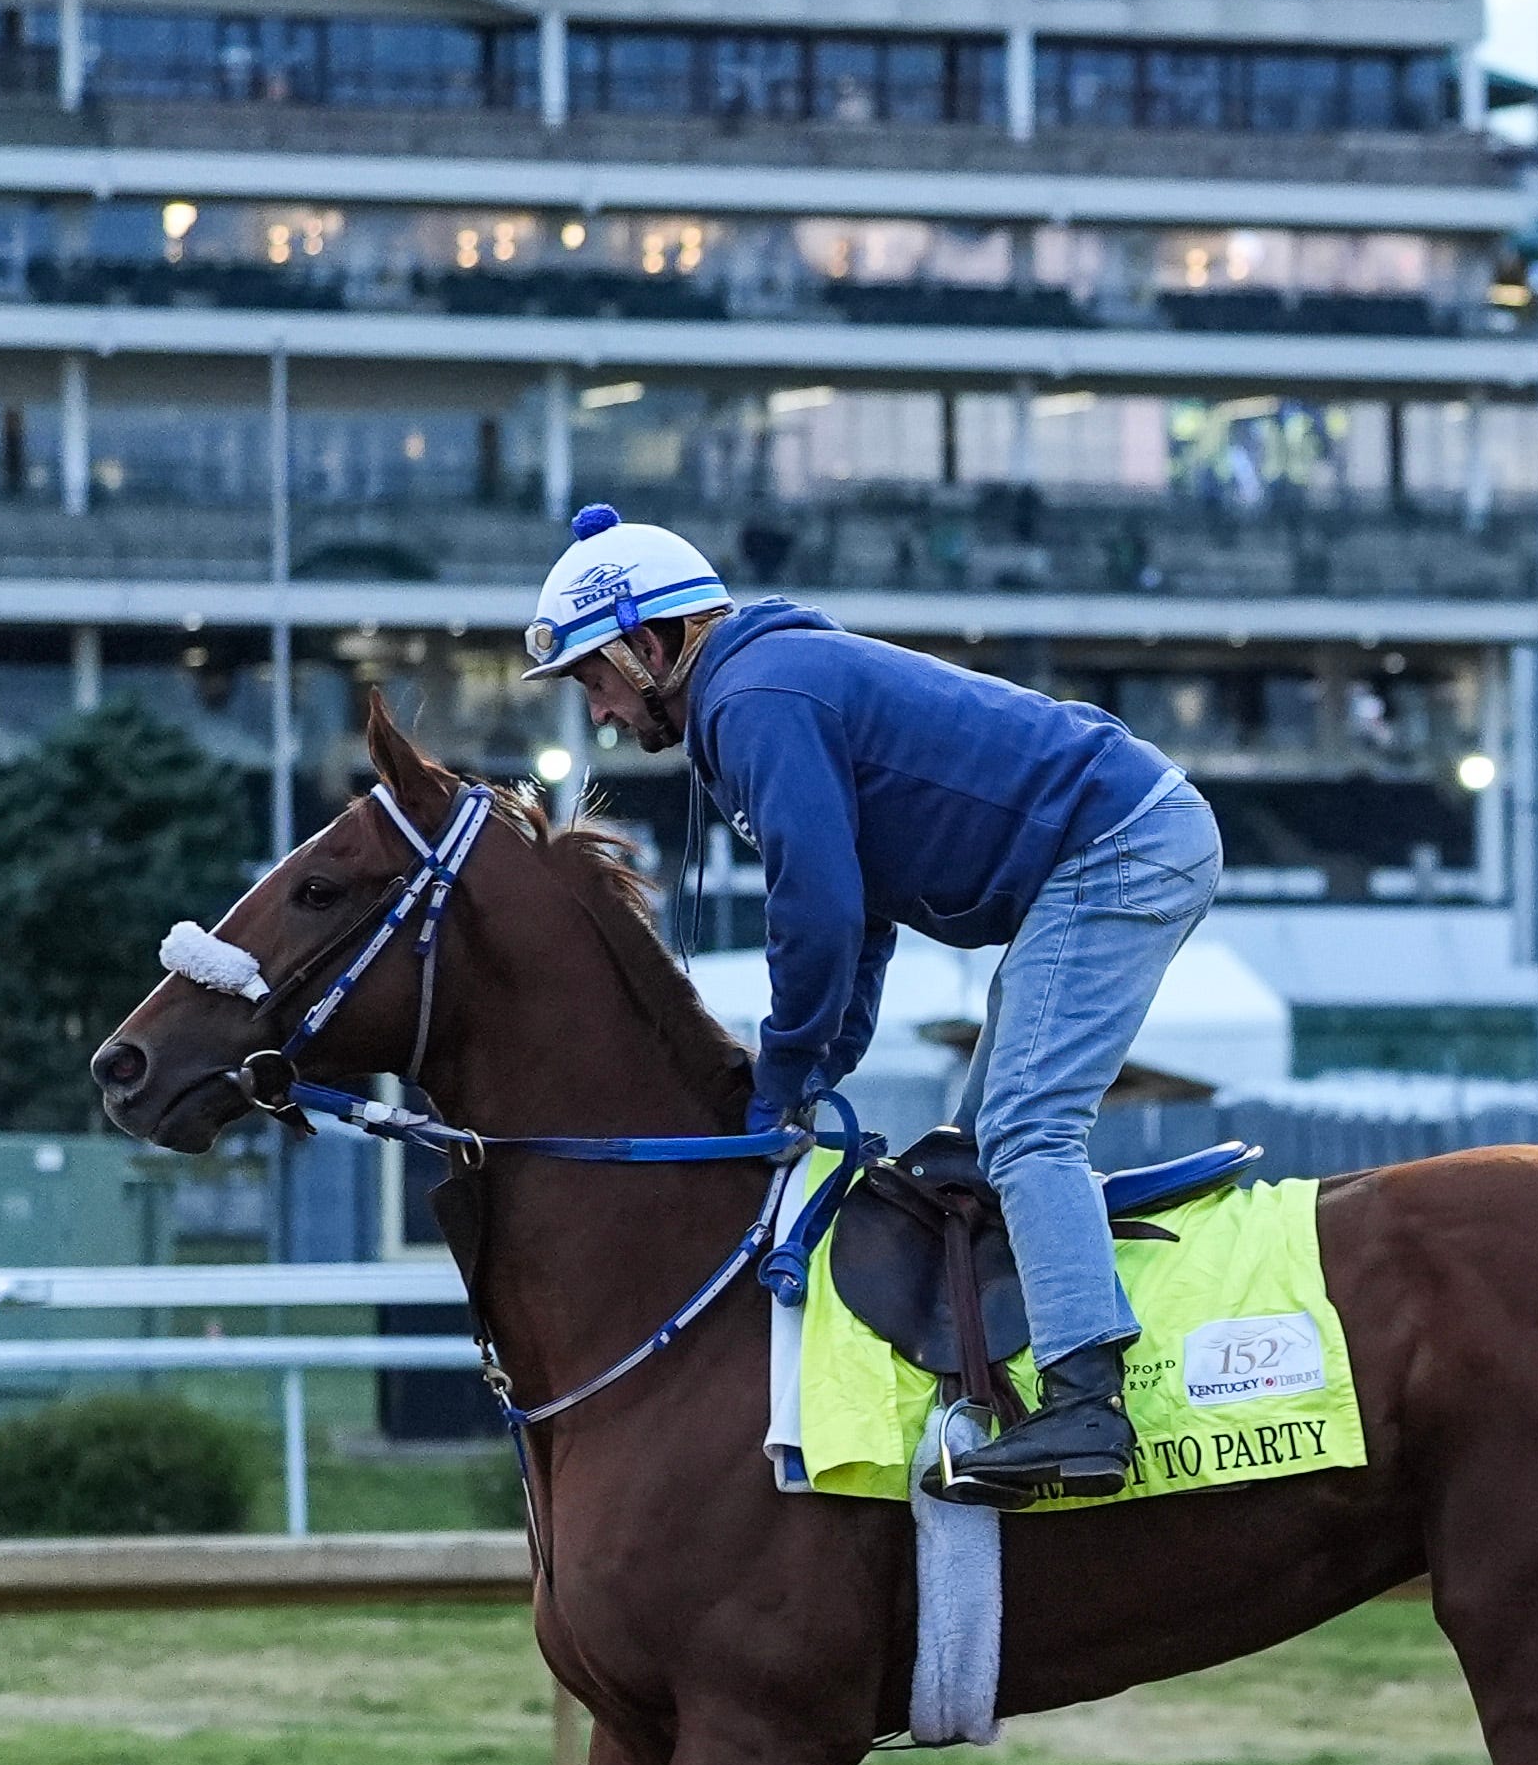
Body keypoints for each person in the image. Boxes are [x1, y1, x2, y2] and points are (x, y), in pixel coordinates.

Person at [521, 504, 1223, 1502]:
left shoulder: (753, 701)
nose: (595, 710)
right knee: (982, 1145)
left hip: (1120, 845)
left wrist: (782, 1073)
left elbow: (816, 907)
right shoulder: (759, 692)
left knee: (1025, 1129)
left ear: (649, 643)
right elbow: (862, 919)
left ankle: (1087, 1407)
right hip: (1107, 842)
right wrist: (805, 1074)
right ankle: (1017, 1390)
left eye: (593, 676)